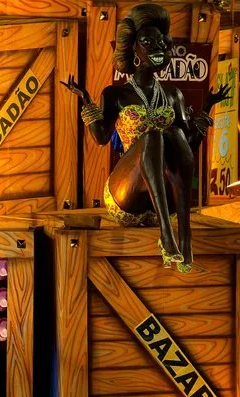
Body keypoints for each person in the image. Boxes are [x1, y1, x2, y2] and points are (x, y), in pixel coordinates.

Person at [61, 4, 229, 273]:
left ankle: (184, 238)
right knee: (153, 135)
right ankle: (166, 234)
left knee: (173, 132)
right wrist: (87, 101)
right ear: (135, 50)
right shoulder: (116, 94)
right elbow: (102, 139)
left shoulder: (174, 95)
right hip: (126, 194)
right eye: (148, 42)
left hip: (164, 196)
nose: (156, 47)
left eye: (161, 42)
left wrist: (207, 108)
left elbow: (188, 150)